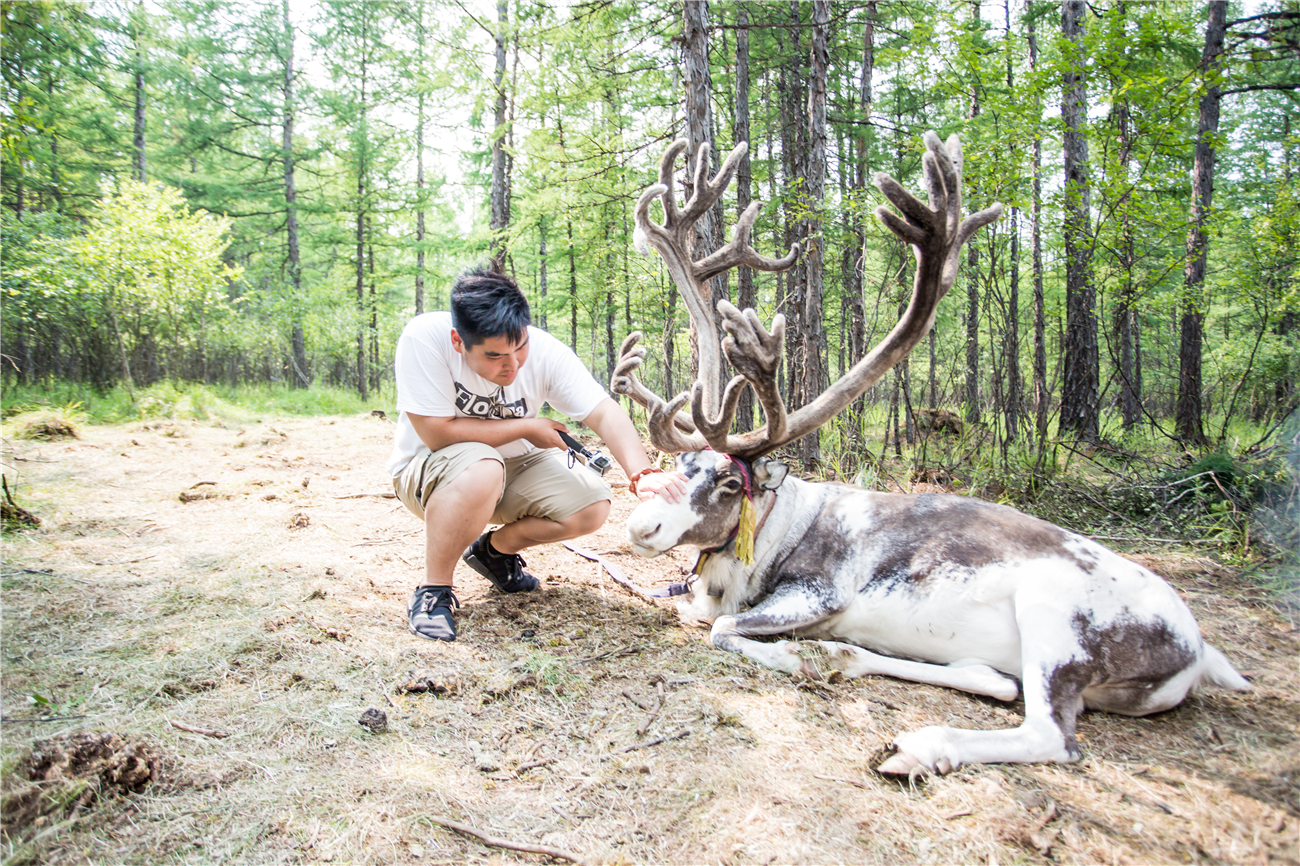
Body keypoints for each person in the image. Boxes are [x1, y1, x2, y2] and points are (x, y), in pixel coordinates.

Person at [387, 264, 686, 641]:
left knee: (591, 502)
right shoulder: (424, 338)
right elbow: (436, 434)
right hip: (431, 472)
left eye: (520, 347)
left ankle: (494, 553)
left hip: (508, 470)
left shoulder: (545, 352)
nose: (512, 365)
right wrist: (528, 426)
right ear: (459, 341)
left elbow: (603, 411)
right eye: (495, 356)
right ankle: (433, 592)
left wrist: (642, 473)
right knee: (483, 466)